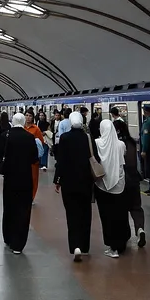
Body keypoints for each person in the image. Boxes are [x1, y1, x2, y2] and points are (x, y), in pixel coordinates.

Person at [52, 112, 94, 261]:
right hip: (85, 182)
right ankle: (85, 246)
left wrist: (57, 180)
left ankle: (75, 245)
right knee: (85, 213)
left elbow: (61, 161)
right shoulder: (87, 138)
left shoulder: (64, 138)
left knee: (72, 213)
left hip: (69, 182)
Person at [0, 113, 39, 254]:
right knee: (23, 209)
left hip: (9, 178)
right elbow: (34, 158)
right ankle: (18, 244)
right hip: (24, 178)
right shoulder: (29, 137)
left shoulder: (5, 135)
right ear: (23, 122)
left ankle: (8, 237)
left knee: (9, 207)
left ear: (12, 121)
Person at [94, 119, 130, 257]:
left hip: (102, 185)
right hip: (119, 185)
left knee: (106, 216)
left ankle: (111, 247)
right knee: (120, 215)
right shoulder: (121, 144)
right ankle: (120, 244)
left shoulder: (97, 143)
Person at [114, 119, 146, 247]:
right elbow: (137, 163)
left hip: (121, 179)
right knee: (136, 207)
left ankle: (125, 235)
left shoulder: (116, 144)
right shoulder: (132, 142)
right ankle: (140, 229)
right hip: (134, 178)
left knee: (121, 208)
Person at [23, 111, 45, 196]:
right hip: (23, 158)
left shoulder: (36, 129)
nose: (28, 117)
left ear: (33, 117)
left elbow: (41, 143)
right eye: (26, 115)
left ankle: (32, 196)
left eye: (30, 116)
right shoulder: (22, 128)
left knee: (34, 178)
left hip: (33, 159)